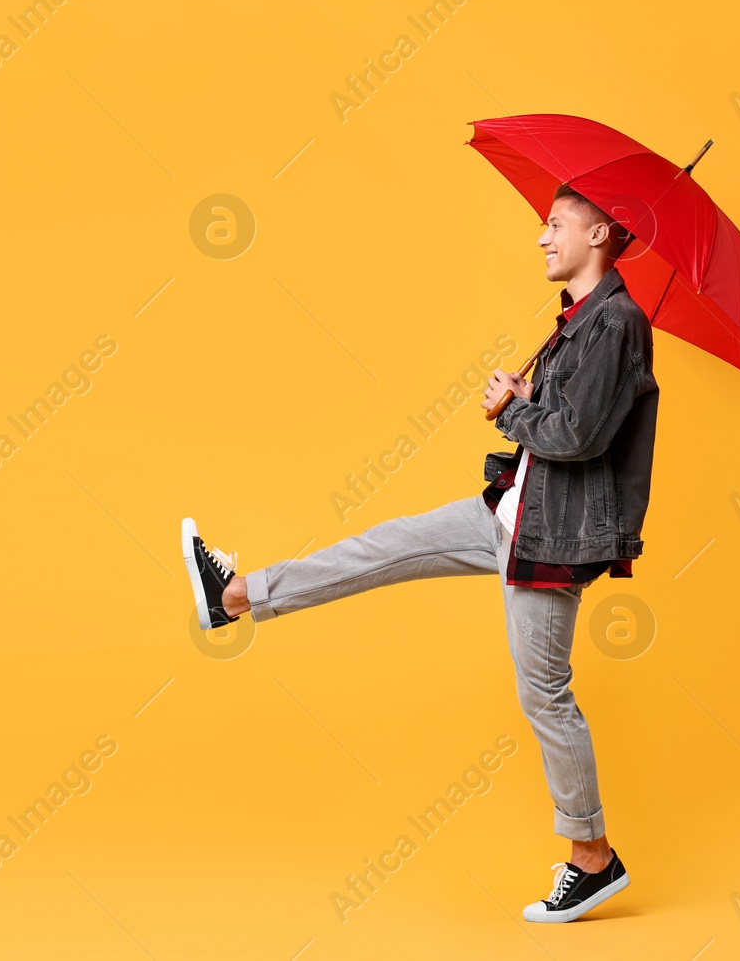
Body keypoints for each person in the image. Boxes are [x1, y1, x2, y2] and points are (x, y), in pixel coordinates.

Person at [182, 183, 659, 922]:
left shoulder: (618, 321)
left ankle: (594, 859)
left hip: (552, 541)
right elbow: (567, 421)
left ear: (600, 231)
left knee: (545, 696)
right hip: (512, 513)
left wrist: (516, 407)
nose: (542, 236)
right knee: (381, 547)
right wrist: (530, 393)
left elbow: (578, 438)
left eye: (556, 223)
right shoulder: (582, 320)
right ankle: (235, 595)